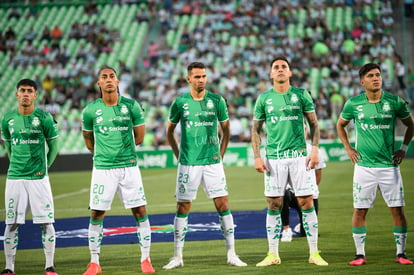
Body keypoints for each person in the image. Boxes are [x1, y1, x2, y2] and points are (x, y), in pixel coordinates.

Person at [163, 62, 247, 270]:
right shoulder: (180, 102)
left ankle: (231, 253)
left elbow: (226, 131)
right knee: (183, 207)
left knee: (223, 205)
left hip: (212, 163)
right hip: (188, 164)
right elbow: (169, 131)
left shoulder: (217, 101)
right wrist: (178, 155)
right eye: (197, 76)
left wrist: (221, 154)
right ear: (188, 79)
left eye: (204, 76)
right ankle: (177, 256)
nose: (201, 80)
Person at [251, 56, 328, 266]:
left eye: (284, 67)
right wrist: (257, 157)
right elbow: (256, 130)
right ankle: (272, 254)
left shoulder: (301, 95)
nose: (280, 69)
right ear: (271, 74)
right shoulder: (263, 98)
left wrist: (314, 150)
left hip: (298, 156)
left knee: (306, 201)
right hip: (274, 158)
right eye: (276, 67)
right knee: (274, 203)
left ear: (290, 72)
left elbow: (314, 124)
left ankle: (314, 253)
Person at [336, 62, 414, 266]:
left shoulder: (395, 102)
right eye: (370, 75)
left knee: (397, 210)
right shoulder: (353, 103)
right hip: (364, 167)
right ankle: (359, 254)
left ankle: (401, 253)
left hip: (389, 166)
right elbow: (340, 125)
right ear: (363, 81)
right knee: (360, 210)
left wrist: (403, 148)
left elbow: (410, 125)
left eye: (378, 74)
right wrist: (348, 148)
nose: (376, 78)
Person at [81, 66, 155, 274]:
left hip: (129, 167)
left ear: (118, 81)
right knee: (97, 213)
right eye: (104, 77)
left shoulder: (132, 106)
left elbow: (139, 138)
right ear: (99, 83)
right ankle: (94, 262)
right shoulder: (90, 110)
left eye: (112, 76)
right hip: (103, 169)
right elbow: (89, 141)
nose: (109, 80)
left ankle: (146, 259)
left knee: (140, 211)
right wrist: (104, 154)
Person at [1, 79, 59, 275]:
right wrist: (15, 165)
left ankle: (49, 266)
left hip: (38, 179)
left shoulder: (44, 117)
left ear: (35, 95)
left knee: (46, 222)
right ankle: (9, 268)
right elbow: (8, 146)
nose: (26, 94)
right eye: (22, 90)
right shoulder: (7, 119)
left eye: (30, 91)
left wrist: (45, 168)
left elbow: (54, 147)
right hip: (15, 178)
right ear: (17, 94)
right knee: (11, 223)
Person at [281, 139, 326, 242]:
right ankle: (286, 229)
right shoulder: (285, 148)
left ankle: (301, 226)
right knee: (283, 194)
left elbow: (318, 172)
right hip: (291, 193)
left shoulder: (313, 150)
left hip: (307, 192)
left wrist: (312, 188)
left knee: (306, 233)